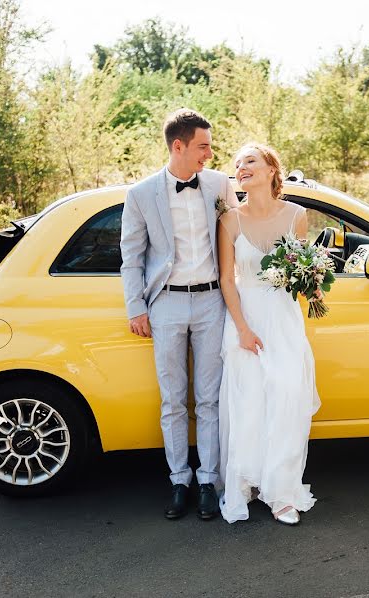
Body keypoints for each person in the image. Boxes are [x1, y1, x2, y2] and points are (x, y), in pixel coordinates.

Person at [120, 108, 238, 520]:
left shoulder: (220, 185)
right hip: (165, 303)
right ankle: (178, 481)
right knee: (172, 400)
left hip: (211, 303)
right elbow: (131, 257)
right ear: (179, 146)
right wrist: (136, 307)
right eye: (203, 146)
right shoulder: (140, 194)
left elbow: (240, 236)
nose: (209, 153)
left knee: (209, 398)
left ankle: (208, 480)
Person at [216, 143, 321, 525]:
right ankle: (245, 485)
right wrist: (243, 329)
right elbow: (227, 279)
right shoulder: (229, 219)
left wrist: (314, 285)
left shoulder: (296, 215)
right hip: (246, 319)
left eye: (250, 161)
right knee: (249, 405)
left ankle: (282, 493)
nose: (241, 168)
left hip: (284, 318)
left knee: (288, 399)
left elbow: (302, 269)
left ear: (272, 170)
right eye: (238, 164)